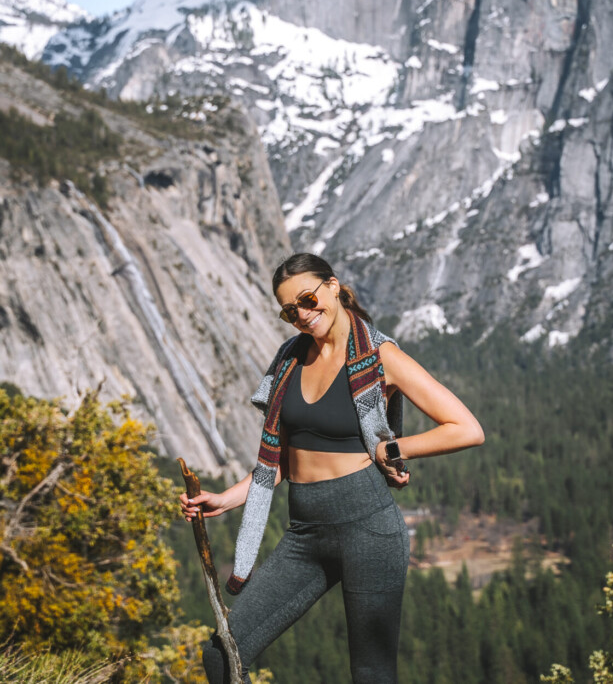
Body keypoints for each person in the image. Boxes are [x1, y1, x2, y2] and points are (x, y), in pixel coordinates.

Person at [181, 252, 484, 684]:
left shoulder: (381, 356)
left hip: (368, 526)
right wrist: (224, 499)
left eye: (307, 299)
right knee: (223, 655)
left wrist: (391, 450)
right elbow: (279, 459)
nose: (302, 315)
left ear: (333, 287)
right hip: (304, 532)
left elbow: (466, 428)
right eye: (290, 310)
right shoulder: (289, 359)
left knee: (372, 675)